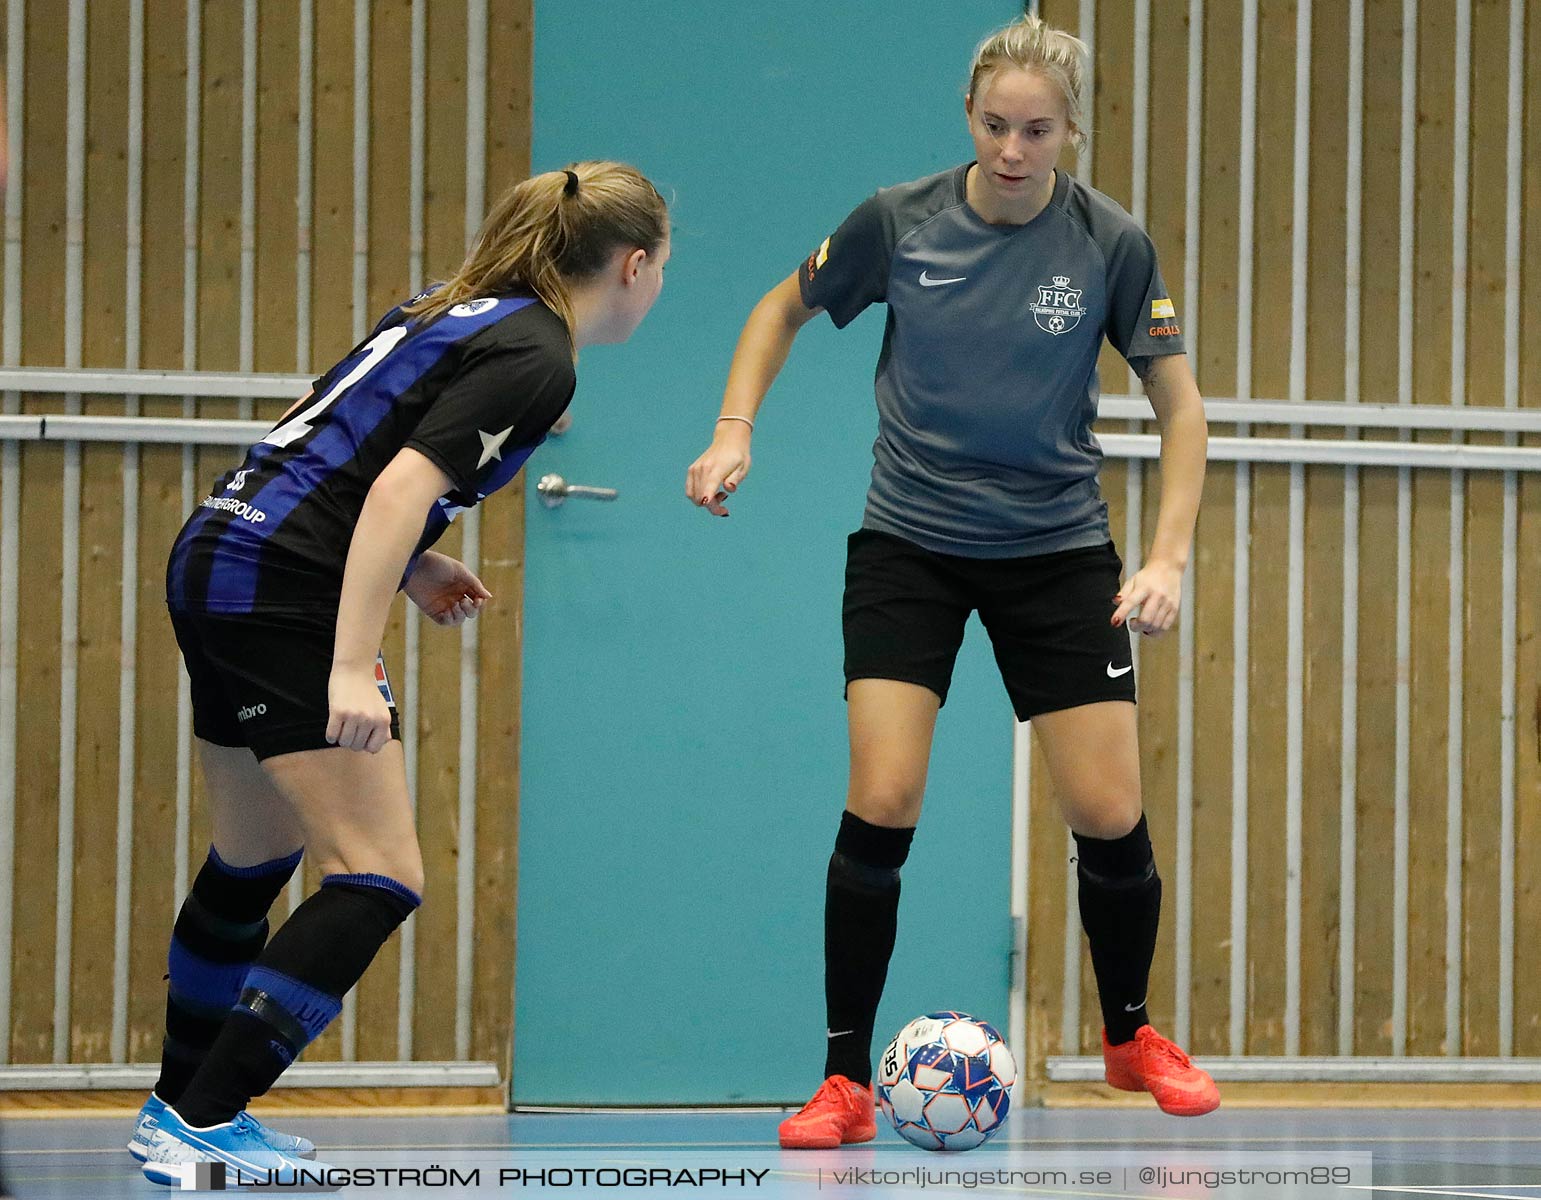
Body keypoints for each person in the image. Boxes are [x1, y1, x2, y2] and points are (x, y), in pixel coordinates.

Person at [685, 9, 1215, 1149]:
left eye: (1035, 130)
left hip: (1057, 551)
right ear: (966, 119)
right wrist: (735, 429)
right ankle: (840, 1083)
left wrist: (1166, 556)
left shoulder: (1111, 244)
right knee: (882, 800)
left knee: (1107, 810)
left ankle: (1128, 1038)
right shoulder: (897, 220)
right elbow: (777, 308)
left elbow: (1181, 410)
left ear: (1070, 129)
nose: (1011, 150)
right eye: (992, 126)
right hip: (910, 546)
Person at [137, 161, 669, 1186]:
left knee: (253, 855)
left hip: (219, 549)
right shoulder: (538, 355)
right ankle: (203, 1120)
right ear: (634, 265)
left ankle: (175, 1104)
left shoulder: (449, 308)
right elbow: (393, 486)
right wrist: (347, 663)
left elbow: (317, 430)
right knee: (376, 873)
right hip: (284, 587)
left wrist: (418, 560)